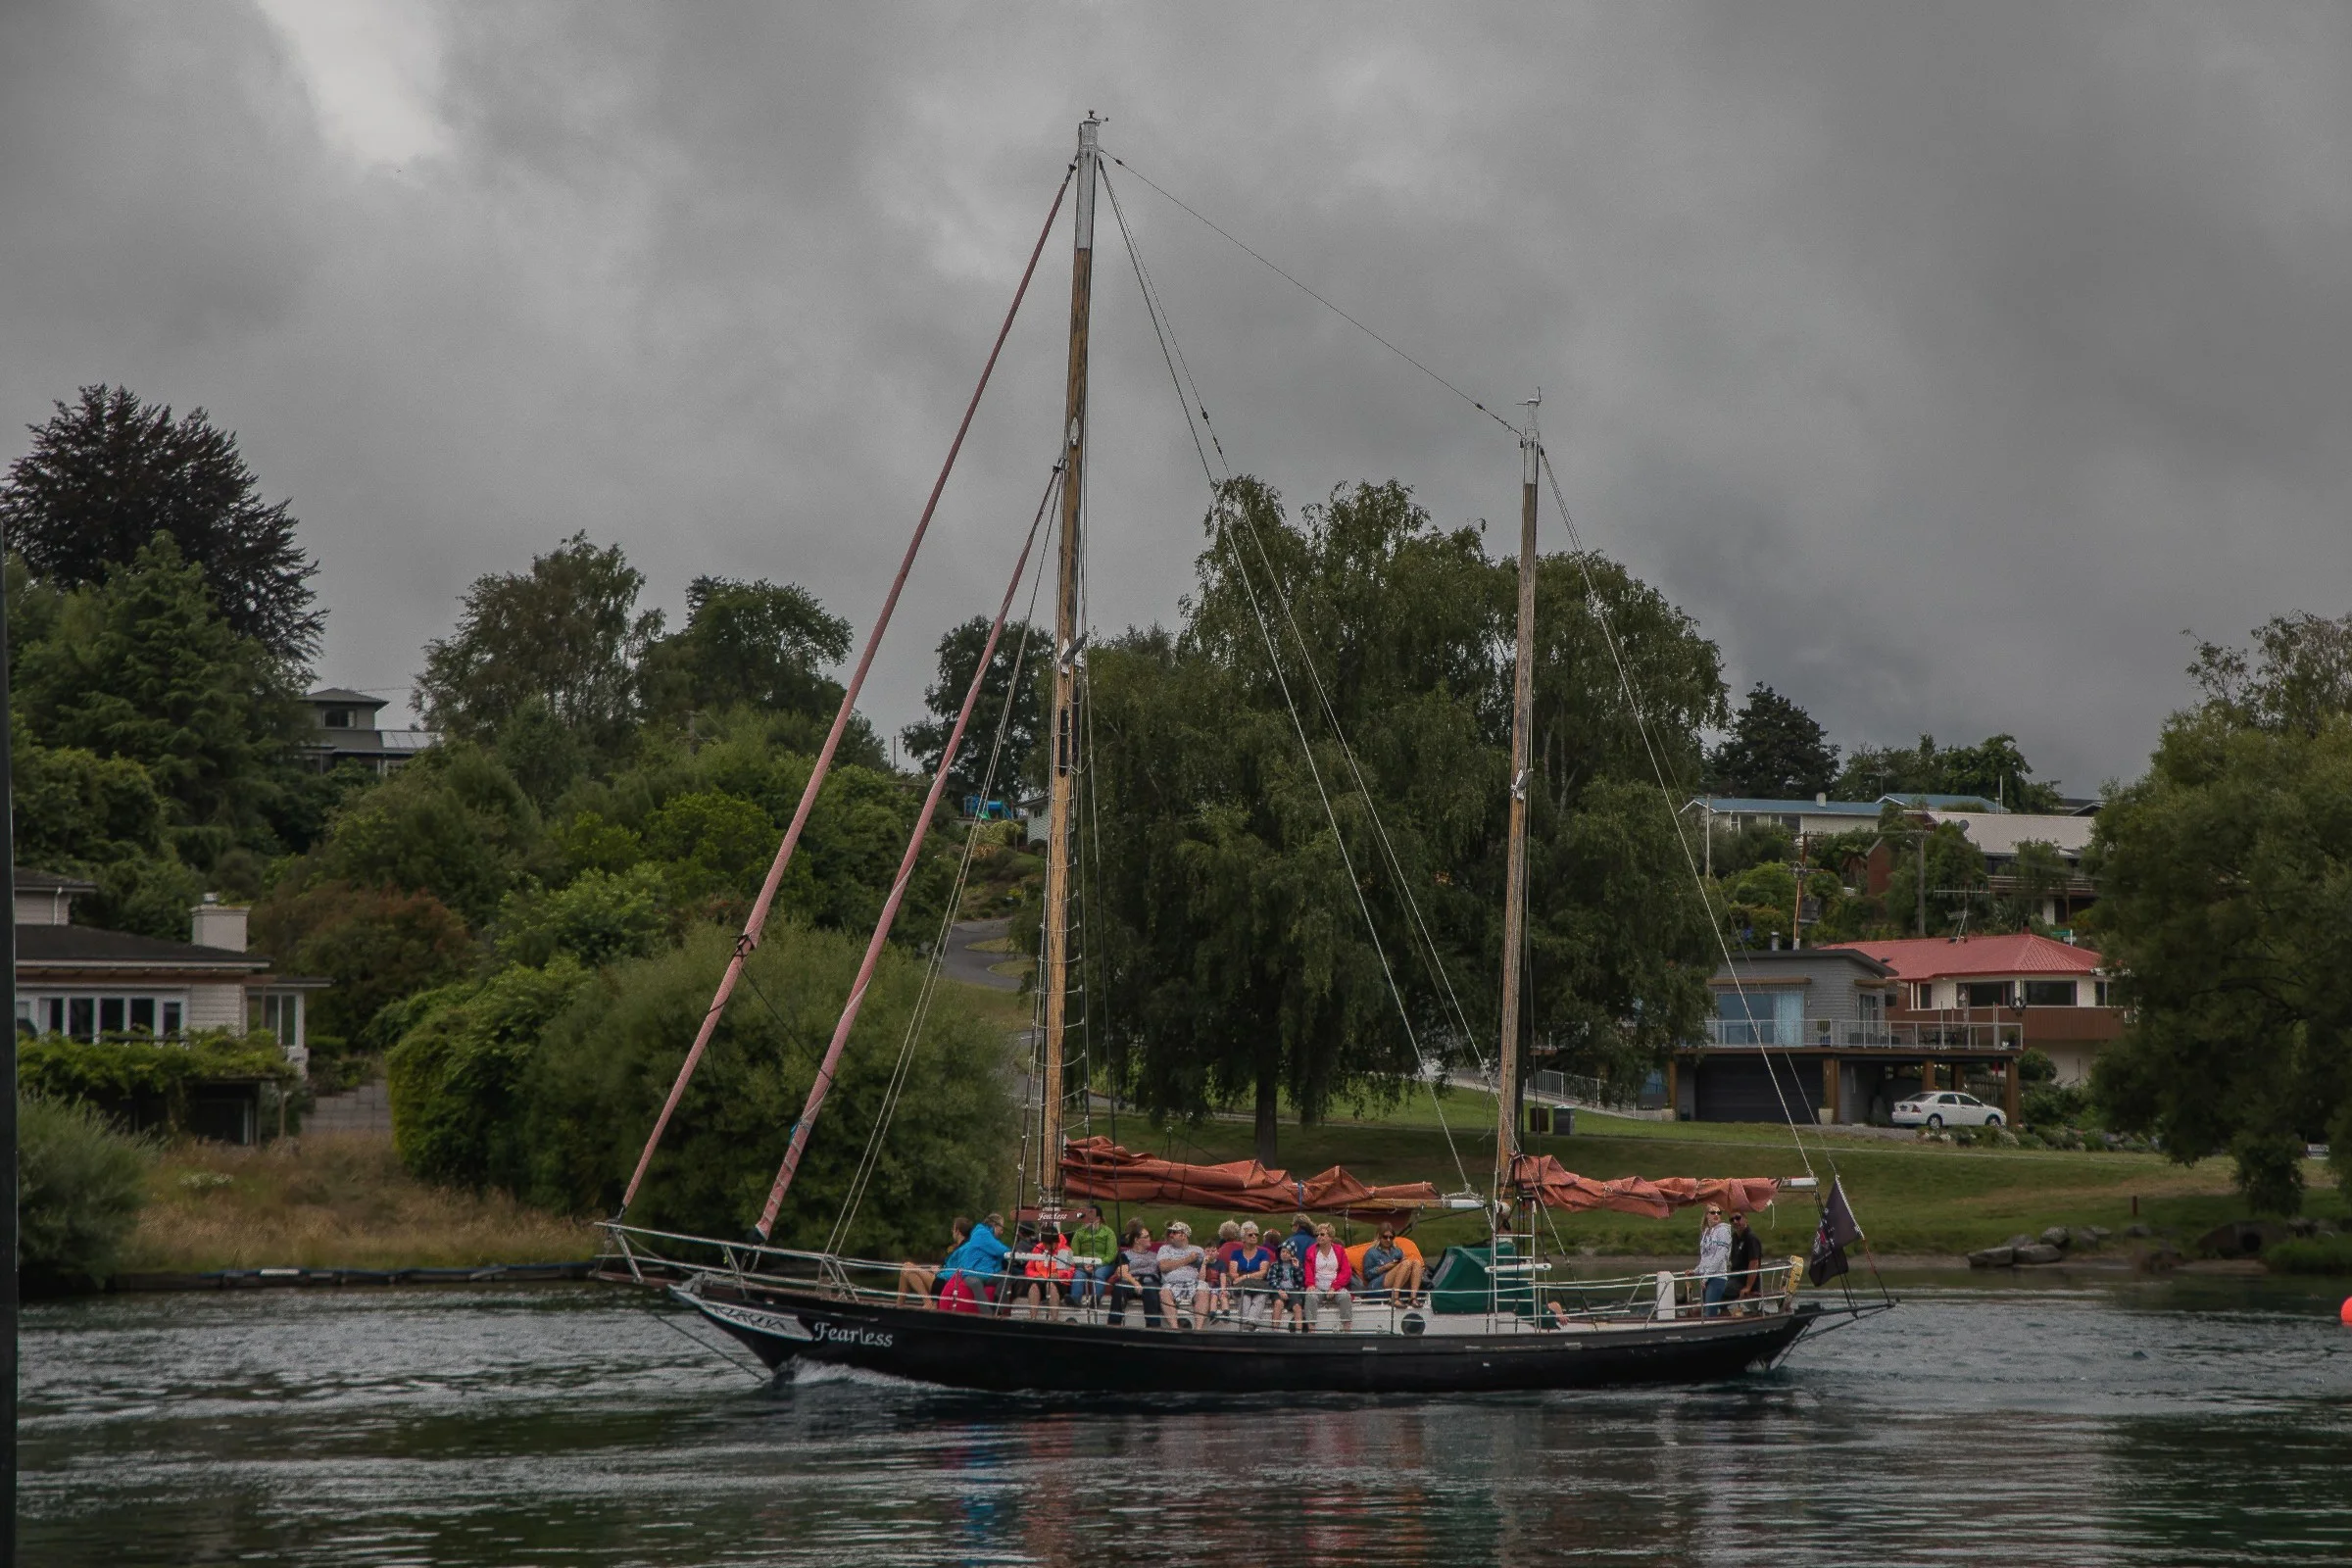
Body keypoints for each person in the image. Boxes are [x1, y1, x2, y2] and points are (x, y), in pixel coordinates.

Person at [898, 1216, 969, 1305]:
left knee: (907, 1267)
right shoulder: (958, 1247)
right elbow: (951, 1266)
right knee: (907, 1272)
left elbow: (960, 1271)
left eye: (953, 1229)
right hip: (942, 1278)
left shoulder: (965, 1249)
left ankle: (927, 1303)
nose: (952, 1232)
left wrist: (940, 1272)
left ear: (957, 1231)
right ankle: (899, 1307)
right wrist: (941, 1269)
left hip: (944, 1283)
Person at [1108, 1220, 1164, 1329]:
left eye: (1149, 1236)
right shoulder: (1125, 1255)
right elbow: (1122, 1272)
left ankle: (1153, 1328)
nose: (1150, 1239)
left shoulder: (1155, 1255)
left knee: (1150, 1289)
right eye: (1146, 1236)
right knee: (1120, 1287)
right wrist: (1135, 1283)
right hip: (1131, 1281)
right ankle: (1113, 1325)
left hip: (1151, 1282)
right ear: (1137, 1240)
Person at [1300, 1222, 1354, 1331]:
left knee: (1345, 1296)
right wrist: (1310, 1284)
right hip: (1318, 1286)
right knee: (1310, 1296)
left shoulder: (1339, 1250)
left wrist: (1334, 1287)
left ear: (1330, 1237)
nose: (1319, 1237)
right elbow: (1308, 1270)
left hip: (1335, 1286)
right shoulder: (1311, 1251)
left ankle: (1347, 1329)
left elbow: (1346, 1272)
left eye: (1322, 1234)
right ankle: (1312, 1330)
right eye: (1317, 1235)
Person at [1155, 1220, 1209, 1329]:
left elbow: (1203, 1274)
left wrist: (1205, 1262)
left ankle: (1199, 1330)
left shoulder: (1197, 1250)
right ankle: (1174, 1329)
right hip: (1171, 1282)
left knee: (1203, 1291)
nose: (1170, 1235)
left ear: (1183, 1235)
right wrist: (1188, 1259)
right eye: (1171, 1232)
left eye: (1174, 1232)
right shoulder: (1165, 1249)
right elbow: (1164, 1267)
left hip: (1193, 1282)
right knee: (1164, 1293)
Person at [1067, 1203, 1118, 1313]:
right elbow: (1074, 1254)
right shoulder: (1079, 1233)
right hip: (1084, 1264)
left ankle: (1095, 1299)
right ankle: (1075, 1300)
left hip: (1104, 1264)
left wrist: (1097, 1264)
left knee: (1099, 1273)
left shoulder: (1108, 1233)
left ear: (1098, 1218)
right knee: (1078, 1274)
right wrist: (1083, 1265)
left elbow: (1111, 1255)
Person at [1019, 1227, 1076, 1318]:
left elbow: (1069, 1272)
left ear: (1053, 1242)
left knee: (1051, 1285)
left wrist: (1058, 1274)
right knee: (1034, 1286)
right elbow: (1029, 1268)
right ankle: (1032, 1319)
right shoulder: (1038, 1248)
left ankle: (1054, 1320)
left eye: (1046, 1243)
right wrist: (1037, 1275)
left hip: (1059, 1283)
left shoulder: (1065, 1250)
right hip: (1041, 1279)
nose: (1044, 1245)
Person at [1231, 1223, 1276, 1326]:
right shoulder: (1236, 1253)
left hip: (1258, 1285)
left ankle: (1250, 1325)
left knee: (1260, 1298)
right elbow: (1233, 1274)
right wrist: (1241, 1278)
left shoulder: (1263, 1253)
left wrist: (1245, 1276)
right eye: (1250, 1235)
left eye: (1256, 1234)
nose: (1254, 1236)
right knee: (1245, 1298)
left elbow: (1263, 1272)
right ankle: (1246, 1326)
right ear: (1243, 1238)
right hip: (1242, 1286)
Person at [1695, 1204, 1733, 1317]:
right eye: (1713, 1212)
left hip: (1717, 1277)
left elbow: (1719, 1256)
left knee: (1710, 1312)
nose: (1716, 1215)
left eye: (1719, 1212)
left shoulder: (1723, 1231)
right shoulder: (1706, 1232)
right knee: (1700, 1309)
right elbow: (1706, 1257)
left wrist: (1706, 1277)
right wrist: (1696, 1271)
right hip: (1706, 1277)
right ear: (1707, 1215)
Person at [1267, 1226, 1306, 1331]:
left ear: (1292, 1254)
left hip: (1293, 1290)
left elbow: (1300, 1281)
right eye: (1282, 1251)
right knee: (1278, 1304)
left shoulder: (1297, 1265)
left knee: (1297, 1307)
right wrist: (1279, 1290)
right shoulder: (1274, 1265)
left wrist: (1297, 1268)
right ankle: (1275, 1331)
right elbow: (1271, 1280)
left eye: (1287, 1252)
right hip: (1279, 1290)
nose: (1284, 1254)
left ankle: (1299, 1333)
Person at [1726, 1207, 1765, 1313]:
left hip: (1743, 1281)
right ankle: (1715, 1312)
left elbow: (1754, 1262)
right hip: (1734, 1278)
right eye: (1732, 1219)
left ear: (1745, 1219)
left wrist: (1748, 1287)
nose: (1735, 1221)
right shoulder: (1734, 1237)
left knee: (1721, 1289)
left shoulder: (1751, 1238)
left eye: (1738, 1218)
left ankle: (1712, 1312)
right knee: (1714, 1285)